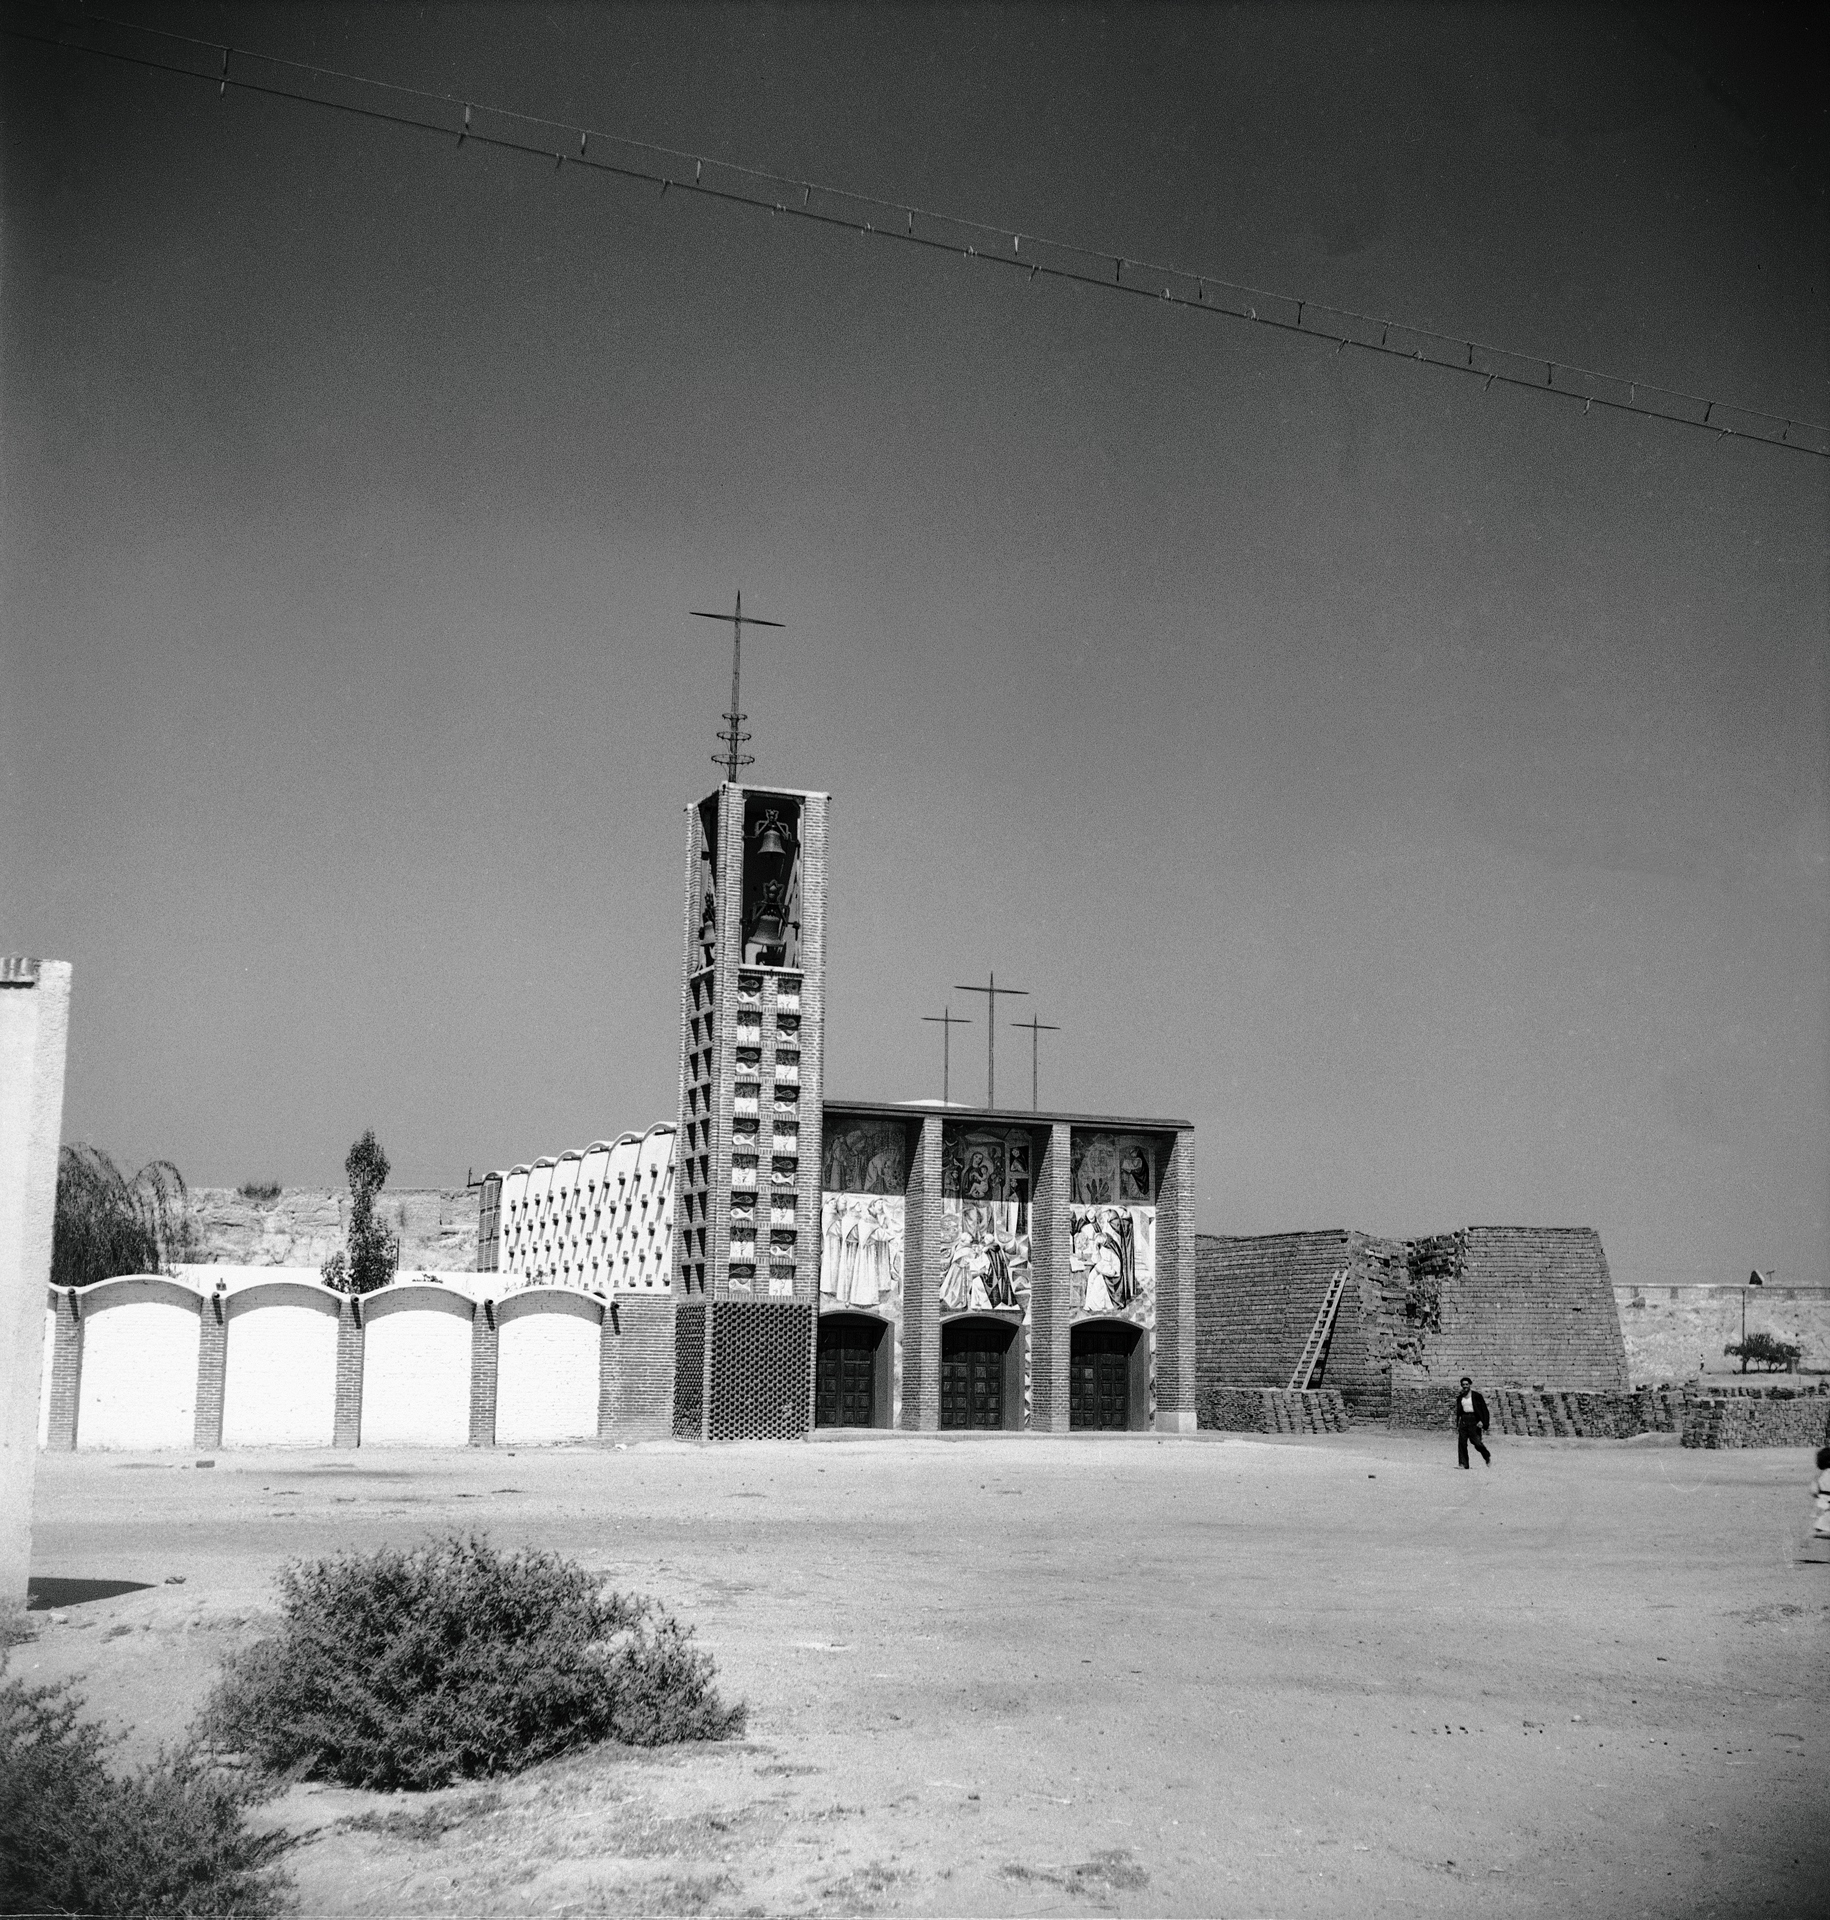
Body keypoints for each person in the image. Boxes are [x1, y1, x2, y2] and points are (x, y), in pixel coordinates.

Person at [1455, 1376, 1491, 1468]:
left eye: (1467, 1384)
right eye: (1463, 1385)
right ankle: (1463, 1463)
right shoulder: (1460, 1397)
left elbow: (1484, 1410)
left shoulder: (1476, 1396)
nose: (1465, 1386)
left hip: (1474, 1420)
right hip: (1464, 1420)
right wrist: (1457, 1424)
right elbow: (1459, 1411)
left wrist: (1483, 1422)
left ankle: (1486, 1455)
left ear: (1470, 1385)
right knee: (1462, 1442)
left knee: (1476, 1442)